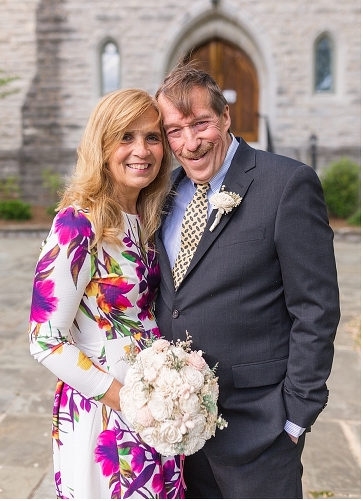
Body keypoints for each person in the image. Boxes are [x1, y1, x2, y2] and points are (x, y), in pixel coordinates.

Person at [154, 63, 340, 498]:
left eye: (200, 123)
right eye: (174, 131)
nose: (190, 142)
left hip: (261, 429)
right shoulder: (164, 194)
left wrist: (295, 416)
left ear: (225, 117)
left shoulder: (287, 183)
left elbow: (316, 308)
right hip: (181, 432)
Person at [29, 88, 182, 499]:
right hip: (106, 410)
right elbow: (44, 340)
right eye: (125, 137)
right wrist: (127, 401)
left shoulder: (148, 220)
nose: (142, 150)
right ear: (101, 144)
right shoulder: (76, 224)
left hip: (156, 407)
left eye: (152, 137)